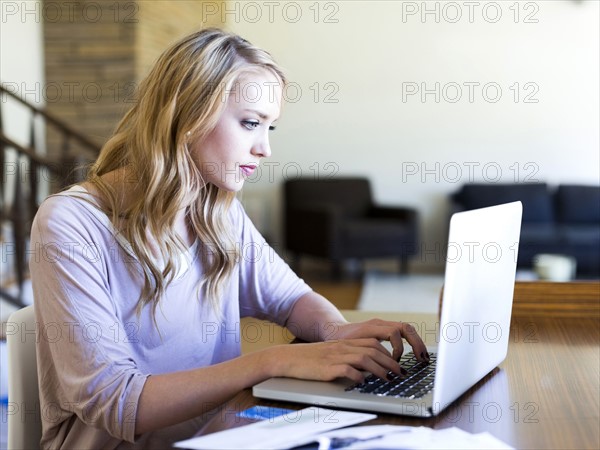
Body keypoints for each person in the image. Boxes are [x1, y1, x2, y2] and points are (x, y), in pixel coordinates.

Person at [30, 28, 428, 449]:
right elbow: (116, 401)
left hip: (219, 436)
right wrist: (272, 361)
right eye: (251, 123)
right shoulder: (70, 224)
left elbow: (291, 299)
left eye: (270, 126)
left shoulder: (216, 209)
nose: (265, 148)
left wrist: (336, 334)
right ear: (187, 115)